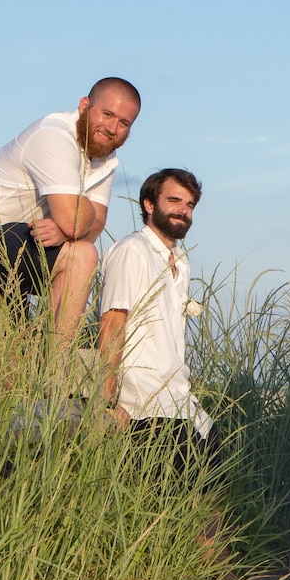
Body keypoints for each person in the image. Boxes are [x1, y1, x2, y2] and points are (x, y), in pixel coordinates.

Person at [0, 77, 140, 347]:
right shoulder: (54, 136)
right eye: (107, 114)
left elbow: (92, 226)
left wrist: (66, 227)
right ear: (84, 106)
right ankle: (58, 372)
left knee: (11, 362)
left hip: (18, 241)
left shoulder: (105, 160)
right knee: (80, 255)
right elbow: (76, 223)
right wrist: (69, 223)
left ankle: (44, 378)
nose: (112, 128)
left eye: (124, 123)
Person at [97, 168, 213, 466]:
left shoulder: (182, 263)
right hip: (142, 404)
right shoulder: (132, 250)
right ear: (149, 204)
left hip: (181, 402)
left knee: (210, 490)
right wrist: (107, 401)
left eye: (189, 205)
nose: (183, 211)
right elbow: (112, 322)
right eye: (174, 201)